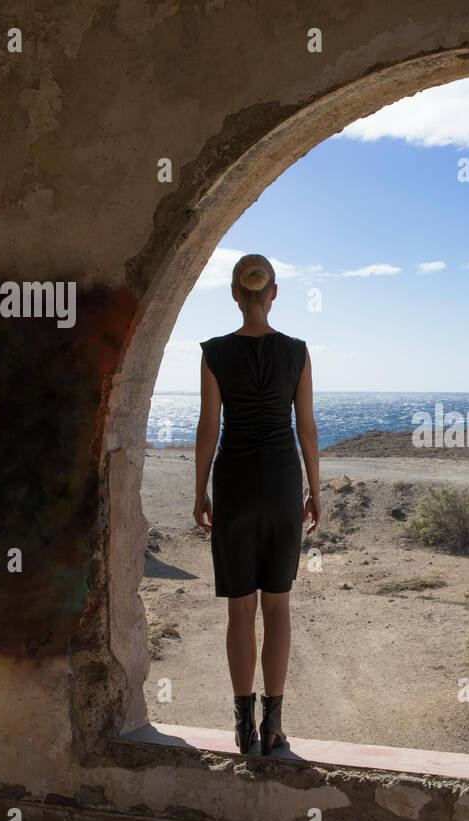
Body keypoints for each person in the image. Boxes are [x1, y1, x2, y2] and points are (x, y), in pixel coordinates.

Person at [193, 253, 321, 754]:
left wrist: (200, 490)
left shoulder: (213, 352)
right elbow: (306, 428)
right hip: (283, 484)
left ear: (233, 294)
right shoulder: (298, 352)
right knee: (279, 606)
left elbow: (209, 428)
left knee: (240, 611)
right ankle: (274, 725)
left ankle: (242, 726)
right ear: (273, 294)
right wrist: (316, 490)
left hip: (235, 485)